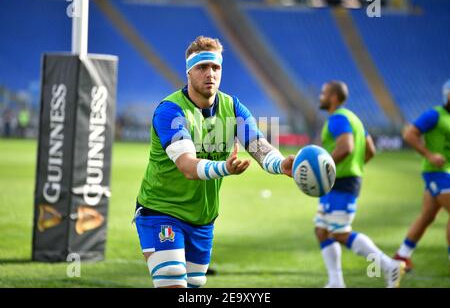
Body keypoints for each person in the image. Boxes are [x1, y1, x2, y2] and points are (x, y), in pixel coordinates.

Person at [133, 36, 294, 288]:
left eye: (215, 67)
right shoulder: (170, 110)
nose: (210, 74)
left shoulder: (233, 107)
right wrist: (225, 168)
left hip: (203, 219)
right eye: (202, 67)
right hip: (161, 211)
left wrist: (282, 164)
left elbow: (259, 147)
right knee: (173, 283)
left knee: (194, 287)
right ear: (189, 71)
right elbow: (187, 166)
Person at [315, 81, 405, 288]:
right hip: (340, 182)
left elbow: (346, 147)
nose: (320, 97)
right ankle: (336, 282)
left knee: (339, 232)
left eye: (324, 93)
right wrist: (355, 167)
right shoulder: (353, 118)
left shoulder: (337, 118)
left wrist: (323, 167)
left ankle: (389, 266)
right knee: (321, 230)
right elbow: (370, 149)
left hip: (341, 183)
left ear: (334, 98)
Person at [394, 80, 450, 271]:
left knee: (427, 216)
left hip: (446, 173)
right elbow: (410, 134)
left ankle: (401, 256)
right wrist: (429, 155)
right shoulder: (434, 114)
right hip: (435, 172)